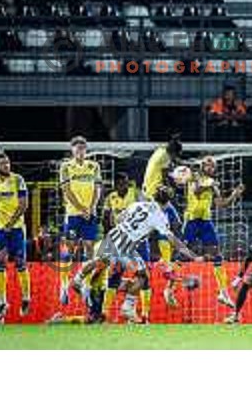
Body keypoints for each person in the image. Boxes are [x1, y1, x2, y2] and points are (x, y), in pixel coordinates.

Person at [72, 188, 197, 322]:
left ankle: (78, 279)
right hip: (127, 244)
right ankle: (128, 307)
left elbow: (118, 219)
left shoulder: (139, 204)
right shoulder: (159, 216)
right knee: (143, 276)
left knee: (101, 259)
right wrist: (190, 254)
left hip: (115, 234)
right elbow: (171, 238)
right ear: (167, 203)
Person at [182, 156, 244, 308]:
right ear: (202, 166)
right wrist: (209, 185)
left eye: (213, 166)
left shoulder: (213, 183)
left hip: (205, 221)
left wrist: (234, 195)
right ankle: (169, 289)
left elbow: (221, 204)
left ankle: (223, 292)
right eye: (208, 166)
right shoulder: (194, 176)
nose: (210, 168)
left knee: (217, 255)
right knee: (182, 254)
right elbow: (196, 191)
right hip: (191, 220)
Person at [102, 172, 154, 322]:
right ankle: (105, 314)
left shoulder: (136, 194)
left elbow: (148, 211)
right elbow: (106, 220)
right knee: (114, 275)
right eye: (122, 183)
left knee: (144, 277)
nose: (126, 185)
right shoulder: (110, 198)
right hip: (120, 242)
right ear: (116, 185)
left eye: (127, 182)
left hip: (139, 242)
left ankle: (145, 316)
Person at [0, 153, 30, 323]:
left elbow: (24, 204)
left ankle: (26, 297)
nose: (7, 166)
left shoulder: (18, 179)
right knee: (0, 262)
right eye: (3, 164)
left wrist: (11, 222)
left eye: (8, 163)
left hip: (16, 228)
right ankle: (2, 301)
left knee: (20, 262)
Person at [58, 135, 102, 305]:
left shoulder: (94, 166)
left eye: (83, 148)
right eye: (77, 148)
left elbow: (97, 188)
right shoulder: (65, 167)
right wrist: (81, 208)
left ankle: (85, 284)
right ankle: (63, 286)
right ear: (72, 150)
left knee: (89, 249)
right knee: (69, 249)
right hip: (74, 214)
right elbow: (66, 191)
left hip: (90, 214)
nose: (80, 151)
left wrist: (91, 207)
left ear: (86, 150)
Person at [142, 134, 182, 201]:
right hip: (153, 190)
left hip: (148, 186)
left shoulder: (161, 151)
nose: (176, 157)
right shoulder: (165, 157)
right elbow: (165, 176)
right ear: (173, 152)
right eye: (176, 155)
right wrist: (174, 186)